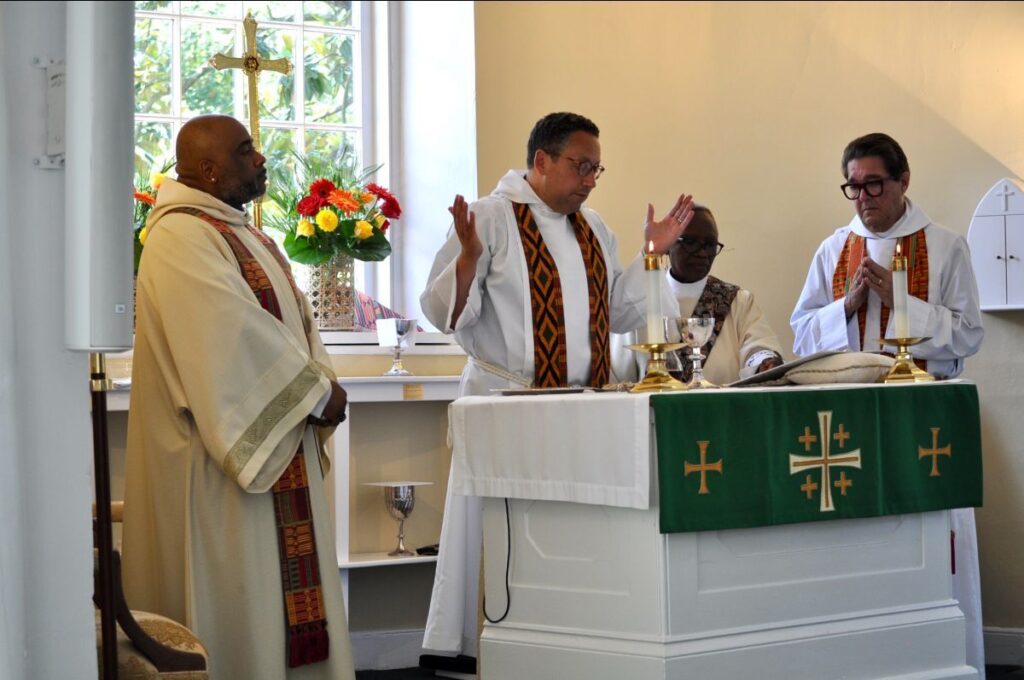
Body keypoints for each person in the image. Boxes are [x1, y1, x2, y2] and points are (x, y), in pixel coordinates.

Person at [419, 112, 694, 663]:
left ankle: (567, 638)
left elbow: (621, 312)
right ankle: (478, 645)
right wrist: (469, 258)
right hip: (508, 405)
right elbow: (445, 312)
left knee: (570, 535)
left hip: (582, 409)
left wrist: (652, 257)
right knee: (500, 536)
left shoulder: (593, 228)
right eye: (580, 166)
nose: (590, 179)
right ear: (541, 161)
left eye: (597, 169)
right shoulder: (489, 218)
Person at [121, 115, 355, 680]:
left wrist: (320, 381)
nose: (260, 158)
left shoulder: (236, 230)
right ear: (207, 169)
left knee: (274, 603)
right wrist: (316, 392)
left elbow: (294, 323)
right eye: (246, 151)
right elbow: (226, 334)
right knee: (240, 608)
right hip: (216, 467)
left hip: (276, 448)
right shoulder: (179, 235)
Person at [789, 132, 985, 676]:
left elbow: (969, 336)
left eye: (874, 184)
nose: (863, 198)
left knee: (929, 545)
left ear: (903, 181)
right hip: (848, 419)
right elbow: (802, 337)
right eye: (852, 187)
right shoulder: (833, 249)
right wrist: (846, 306)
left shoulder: (945, 246)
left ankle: (943, 659)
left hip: (924, 421)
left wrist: (902, 305)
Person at [626, 205, 784, 385]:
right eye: (691, 242)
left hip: (721, 409)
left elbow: (758, 346)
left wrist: (764, 362)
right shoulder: (639, 300)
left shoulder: (737, 301)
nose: (702, 253)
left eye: (710, 245)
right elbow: (621, 367)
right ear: (669, 245)